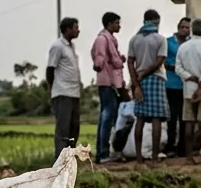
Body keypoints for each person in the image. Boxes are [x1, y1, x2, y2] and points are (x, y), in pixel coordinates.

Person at [174, 18, 201, 165]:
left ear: (192, 29)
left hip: (188, 89)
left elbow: (178, 68)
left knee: (189, 123)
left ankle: (188, 157)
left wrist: (189, 77)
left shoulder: (183, 47)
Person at [126, 9, 169, 162]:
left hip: (139, 80)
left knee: (141, 118)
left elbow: (130, 62)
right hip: (155, 79)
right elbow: (159, 61)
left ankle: (138, 157)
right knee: (156, 117)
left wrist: (136, 81)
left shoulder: (134, 39)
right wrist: (145, 73)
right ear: (156, 21)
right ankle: (155, 157)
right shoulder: (160, 39)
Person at [45, 16, 82, 159]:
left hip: (74, 93)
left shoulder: (71, 47)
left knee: (74, 127)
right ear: (67, 29)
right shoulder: (57, 46)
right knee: (63, 128)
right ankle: (60, 159)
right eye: (75, 27)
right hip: (62, 93)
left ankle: (70, 157)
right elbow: (50, 69)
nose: (78, 30)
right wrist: (54, 88)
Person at [90, 12, 125, 163]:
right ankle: (103, 153)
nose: (119, 25)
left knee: (108, 117)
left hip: (111, 82)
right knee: (107, 117)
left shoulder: (110, 39)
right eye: (117, 23)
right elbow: (99, 57)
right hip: (107, 82)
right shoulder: (102, 39)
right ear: (110, 24)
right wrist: (98, 65)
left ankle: (103, 152)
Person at [165, 16, 192, 157]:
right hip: (170, 83)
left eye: (187, 27)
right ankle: (170, 145)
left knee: (184, 118)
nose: (184, 29)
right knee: (171, 117)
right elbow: (161, 60)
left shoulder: (191, 44)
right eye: (182, 27)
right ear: (178, 27)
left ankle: (182, 148)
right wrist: (172, 66)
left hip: (185, 84)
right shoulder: (168, 42)